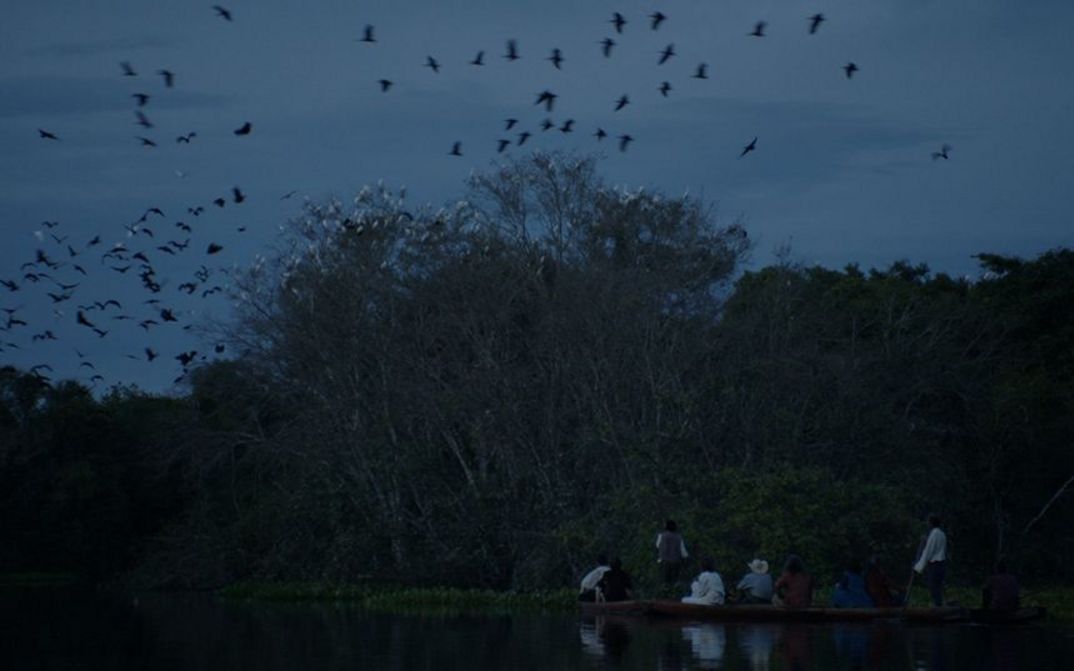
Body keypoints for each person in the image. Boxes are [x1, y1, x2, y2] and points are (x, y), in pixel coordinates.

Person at [913, 514, 948, 607]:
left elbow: (929, 550)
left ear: (931, 523)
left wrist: (919, 566)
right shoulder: (941, 533)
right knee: (937, 586)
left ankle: (937, 606)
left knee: (933, 586)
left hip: (935, 564)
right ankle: (939, 605)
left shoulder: (935, 533)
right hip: (941, 564)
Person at [656, 519, 689, 586]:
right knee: (675, 580)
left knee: (665, 581)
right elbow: (683, 552)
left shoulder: (662, 536)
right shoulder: (679, 537)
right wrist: (686, 558)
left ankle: (665, 589)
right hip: (675, 561)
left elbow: (657, 545)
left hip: (664, 561)